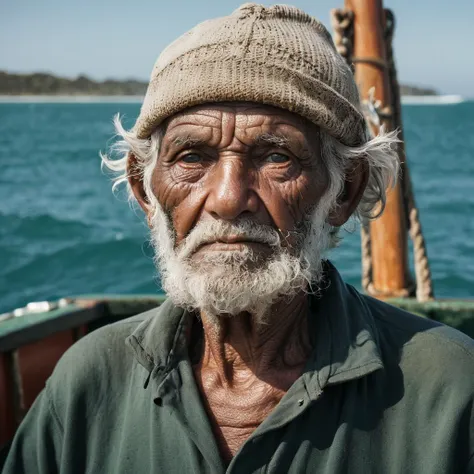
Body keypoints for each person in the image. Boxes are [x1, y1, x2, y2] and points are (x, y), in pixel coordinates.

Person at [3, 4, 474, 473]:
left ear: (343, 190)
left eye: (276, 156)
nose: (229, 198)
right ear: (145, 190)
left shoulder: (450, 391)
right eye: (191, 156)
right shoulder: (87, 383)